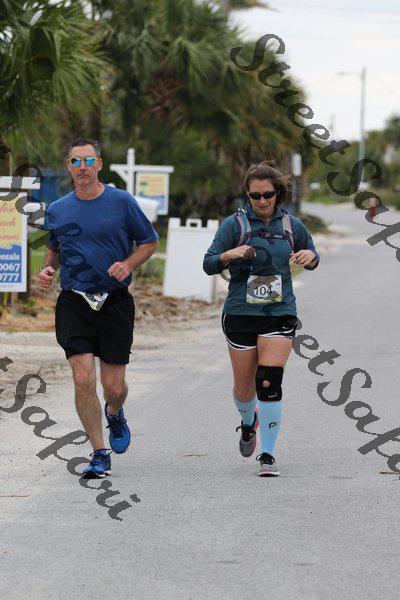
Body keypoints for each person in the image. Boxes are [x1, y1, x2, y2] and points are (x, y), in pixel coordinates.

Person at [38, 138, 159, 478]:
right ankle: (99, 452)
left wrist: (128, 264)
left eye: (88, 160)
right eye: (75, 161)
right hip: (74, 301)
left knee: (114, 387)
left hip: (115, 302)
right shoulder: (58, 209)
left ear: (99, 164)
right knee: (82, 378)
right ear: (68, 167)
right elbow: (54, 249)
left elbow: (149, 241)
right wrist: (47, 270)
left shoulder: (122, 202)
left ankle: (115, 413)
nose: (82, 167)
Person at [203, 161, 319, 476]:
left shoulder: (292, 225)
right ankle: (247, 420)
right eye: (255, 196)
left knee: (269, 382)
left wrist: (310, 257)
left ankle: (267, 455)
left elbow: (311, 255)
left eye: (267, 194)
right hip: (241, 313)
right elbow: (208, 263)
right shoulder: (234, 225)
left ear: (277, 193)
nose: (262, 200)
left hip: (279, 313)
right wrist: (230, 254)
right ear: (248, 194)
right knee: (244, 389)